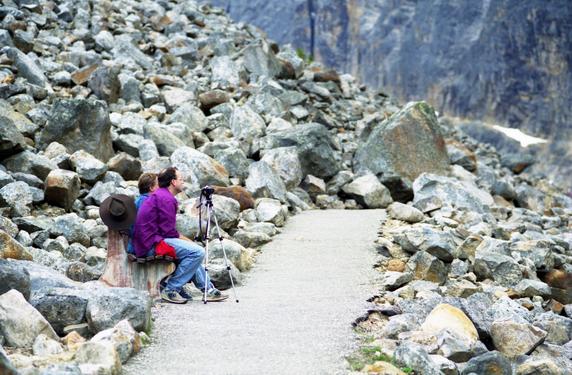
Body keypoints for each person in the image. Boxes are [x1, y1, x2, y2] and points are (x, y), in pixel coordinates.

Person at [132, 167, 228, 304]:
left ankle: (208, 290)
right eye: (181, 179)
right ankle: (170, 289)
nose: (183, 182)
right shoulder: (166, 199)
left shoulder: (161, 195)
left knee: (192, 251)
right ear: (173, 182)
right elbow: (169, 232)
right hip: (150, 245)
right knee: (197, 252)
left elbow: (166, 230)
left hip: (150, 240)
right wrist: (188, 241)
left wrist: (187, 242)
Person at [127, 173, 158, 255]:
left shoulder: (139, 200)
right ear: (151, 188)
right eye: (159, 185)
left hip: (134, 246)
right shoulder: (147, 202)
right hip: (145, 249)